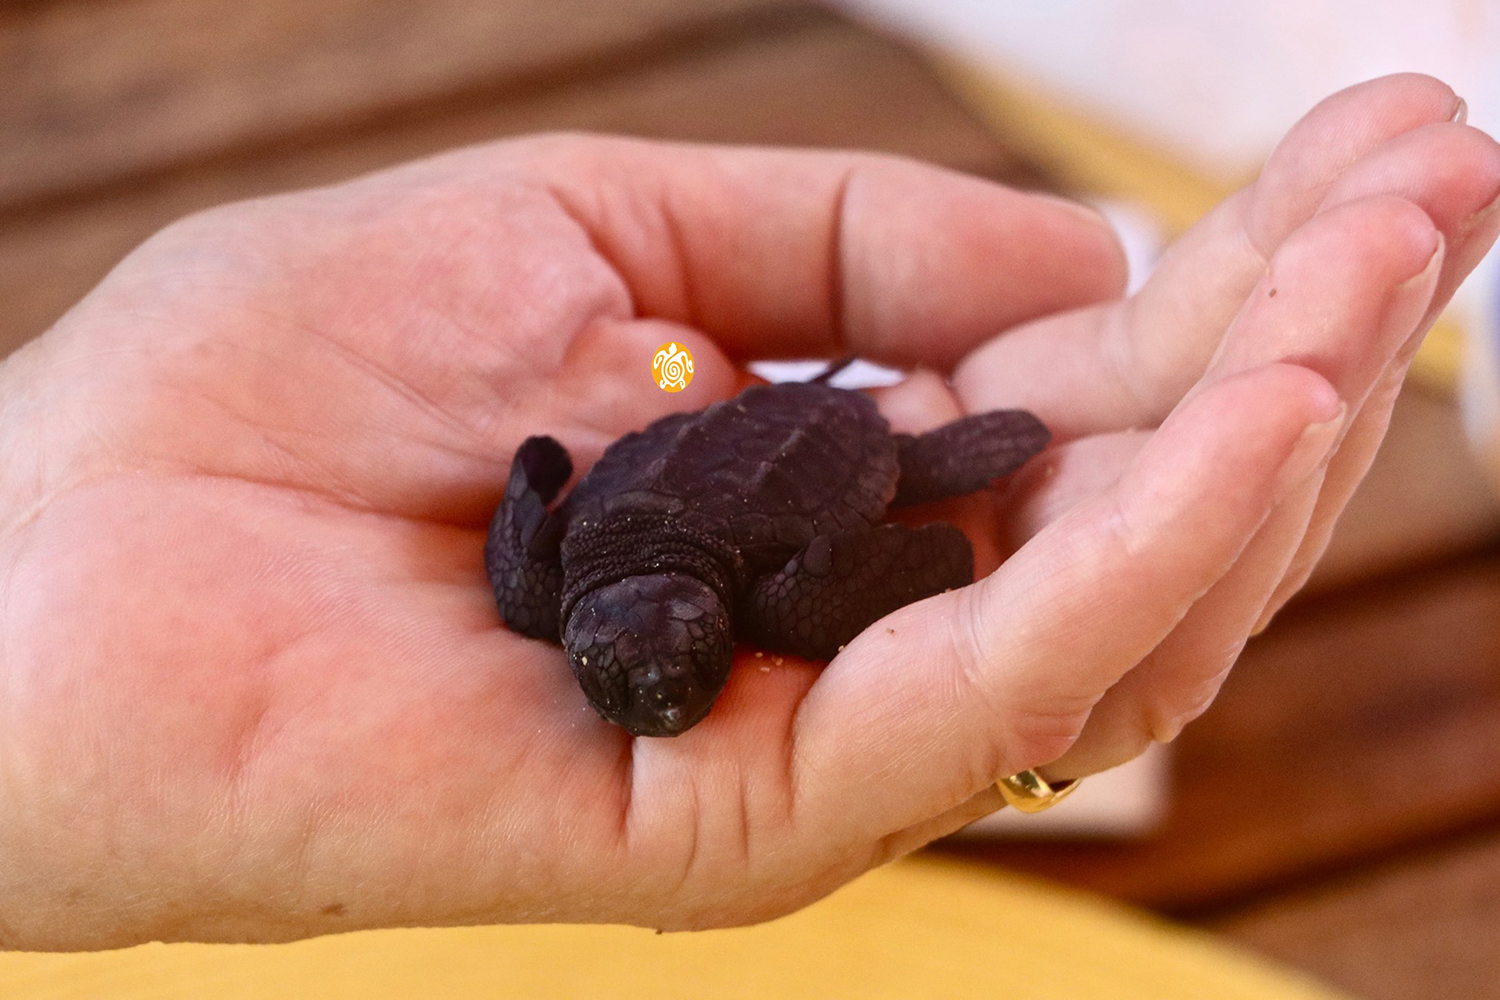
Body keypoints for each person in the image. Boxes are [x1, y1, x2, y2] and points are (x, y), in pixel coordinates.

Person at [0, 73, 1494, 952]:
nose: (663, 694)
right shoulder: (580, 582)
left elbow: (569, 471)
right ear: (577, 629)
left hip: (803, 426)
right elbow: (545, 467)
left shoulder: (651, 578)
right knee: (886, 461)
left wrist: (636, 426)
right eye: (642, 679)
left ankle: (970, 441)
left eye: (671, 667)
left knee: (967, 459)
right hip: (716, 416)